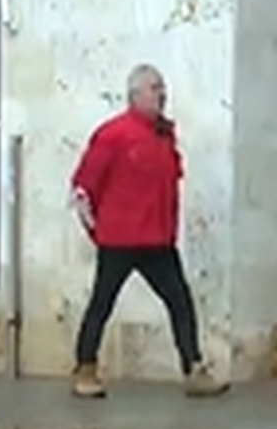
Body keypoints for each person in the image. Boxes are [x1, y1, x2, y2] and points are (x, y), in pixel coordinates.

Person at [69, 64, 228, 399]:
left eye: (162, 87)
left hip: (156, 240)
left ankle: (193, 368)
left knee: (180, 300)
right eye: (155, 87)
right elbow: (84, 188)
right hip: (120, 240)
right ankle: (85, 368)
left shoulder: (163, 136)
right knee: (103, 302)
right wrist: (98, 233)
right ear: (135, 94)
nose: (162, 93)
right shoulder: (112, 134)